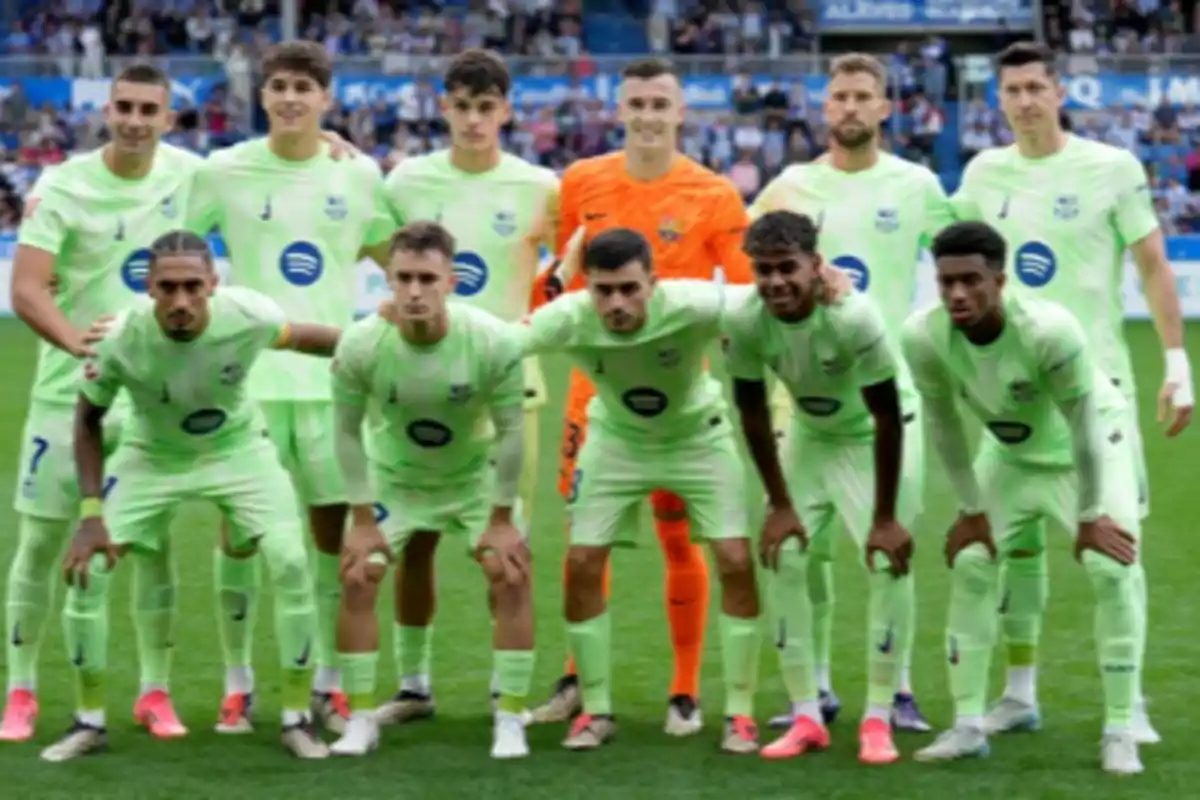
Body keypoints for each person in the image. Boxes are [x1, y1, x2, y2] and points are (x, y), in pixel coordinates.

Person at [952, 41, 1193, 744]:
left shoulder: (1111, 168)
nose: (1025, 100)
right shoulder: (982, 172)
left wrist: (1177, 361)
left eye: (1035, 86)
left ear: (1060, 92)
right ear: (998, 100)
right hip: (1012, 401)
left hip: (1099, 392)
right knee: (1012, 552)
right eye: (1012, 89)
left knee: (1118, 551)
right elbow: (949, 256)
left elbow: (1152, 266)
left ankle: (1132, 702)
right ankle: (1019, 694)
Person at [42, 230, 341, 762]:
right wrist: (91, 515)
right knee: (88, 572)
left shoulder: (249, 315)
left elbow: (309, 338)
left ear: (213, 285)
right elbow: (87, 418)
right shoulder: (118, 337)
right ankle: (88, 721)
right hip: (150, 454)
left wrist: (386, 347)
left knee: (292, 561)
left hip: (237, 450)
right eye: (168, 288)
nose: (181, 302)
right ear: (148, 287)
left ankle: (296, 719)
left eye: (192, 288)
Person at [527, 56, 756, 736]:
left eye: (662, 104)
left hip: (681, 395)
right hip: (594, 397)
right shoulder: (581, 182)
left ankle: (684, 689)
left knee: (678, 537)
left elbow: (746, 296)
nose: (650, 116)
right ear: (619, 110)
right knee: (582, 542)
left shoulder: (713, 195)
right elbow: (564, 280)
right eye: (638, 104)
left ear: (681, 112)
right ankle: (576, 679)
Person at [185, 40, 396, 735]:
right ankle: (237, 682)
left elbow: (399, 260)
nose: (290, 98)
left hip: (332, 385)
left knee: (334, 539)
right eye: (279, 86)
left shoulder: (358, 175)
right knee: (241, 538)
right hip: (248, 388)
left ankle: (330, 683)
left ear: (326, 99)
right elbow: (175, 246)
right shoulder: (224, 170)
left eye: (304, 86)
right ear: (263, 94)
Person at [749, 52, 954, 732]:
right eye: (840, 96)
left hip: (888, 402)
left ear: (886, 107)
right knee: (799, 555)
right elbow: (745, 256)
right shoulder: (790, 185)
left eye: (864, 96)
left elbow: (962, 265)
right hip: (807, 404)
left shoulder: (918, 184)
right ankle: (820, 693)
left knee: (888, 552)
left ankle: (894, 693)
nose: (851, 108)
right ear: (824, 107)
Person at [1, 64, 205, 743]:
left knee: (151, 546)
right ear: (107, 111)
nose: (136, 119)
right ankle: (21, 689)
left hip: (152, 398)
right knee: (39, 540)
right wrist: (77, 348)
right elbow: (27, 289)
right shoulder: (64, 184)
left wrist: (332, 142)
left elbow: (272, 172)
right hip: (67, 392)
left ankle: (154, 691)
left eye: (151, 108)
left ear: (168, 118)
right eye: (125, 106)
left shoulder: (190, 176)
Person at [903, 220, 1146, 775]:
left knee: (1111, 568)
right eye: (947, 282)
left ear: (1000, 279)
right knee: (970, 561)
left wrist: (1089, 517)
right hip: (1010, 454)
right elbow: (943, 426)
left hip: (1087, 445)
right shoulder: (923, 336)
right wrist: (970, 511)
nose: (958, 294)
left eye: (971, 280)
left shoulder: (1048, 331)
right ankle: (969, 724)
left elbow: (1084, 423)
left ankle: (1119, 726)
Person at [520, 227, 762, 754]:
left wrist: (832, 282)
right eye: (604, 290)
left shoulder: (695, 303)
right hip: (616, 441)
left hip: (698, 438)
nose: (617, 303)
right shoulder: (570, 317)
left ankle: (741, 715)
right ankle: (596, 710)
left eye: (630, 288)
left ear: (654, 282)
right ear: (588, 287)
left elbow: (767, 297)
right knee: (582, 563)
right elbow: (500, 343)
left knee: (735, 558)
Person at [377, 48, 558, 724]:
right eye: (462, 106)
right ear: (443, 107)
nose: (474, 120)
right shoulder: (405, 182)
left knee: (505, 544)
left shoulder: (540, 185)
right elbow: (379, 249)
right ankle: (414, 685)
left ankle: (502, 688)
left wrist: (539, 311)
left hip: (511, 386)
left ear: (506, 111)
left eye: (487, 108)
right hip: (417, 380)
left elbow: (572, 258)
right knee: (414, 540)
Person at [328, 221, 534, 760]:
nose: (414, 291)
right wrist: (362, 519)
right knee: (358, 574)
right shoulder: (362, 342)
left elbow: (514, 431)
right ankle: (364, 716)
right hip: (396, 476)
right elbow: (346, 432)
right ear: (388, 281)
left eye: (427, 278)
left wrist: (502, 516)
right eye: (403, 279)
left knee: (508, 571)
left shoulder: (491, 340)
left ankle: (510, 714)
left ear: (452, 281)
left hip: (472, 475)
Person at [725, 211, 918, 765]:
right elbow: (753, 410)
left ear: (816, 265)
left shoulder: (854, 317)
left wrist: (884, 518)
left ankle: (879, 717)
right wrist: (780, 504)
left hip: (876, 434)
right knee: (783, 553)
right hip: (810, 435)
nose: (776, 282)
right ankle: (807, 713)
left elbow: (885, 416)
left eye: (788, 268)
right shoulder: (744, 319)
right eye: (764, 270)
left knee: (887, 560)